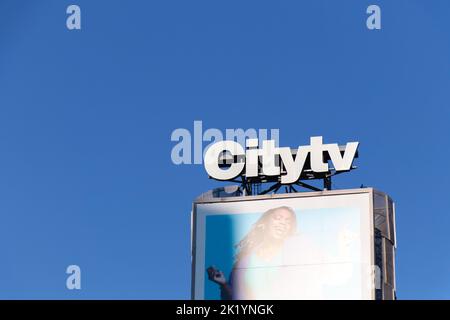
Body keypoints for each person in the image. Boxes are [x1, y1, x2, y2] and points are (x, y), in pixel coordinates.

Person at [207, 206, 297, 299]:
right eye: (278, 218)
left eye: (288, 221)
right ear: (263, 224)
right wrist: (224, 284)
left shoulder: (297, 257)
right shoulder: (244, 262)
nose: (283, 223)